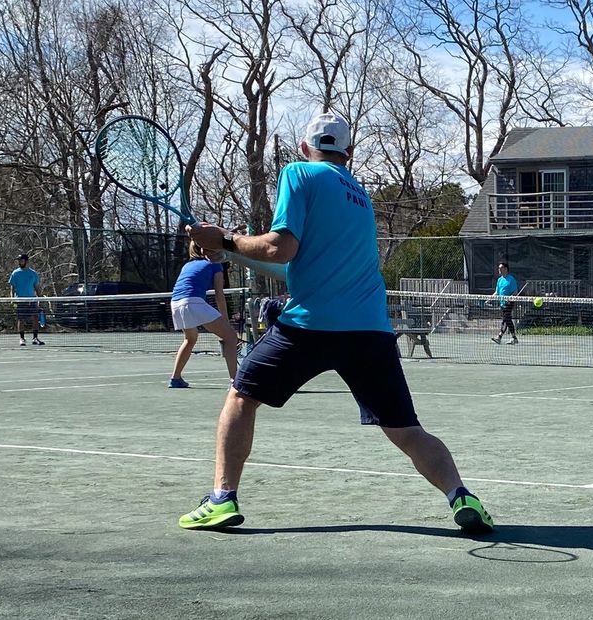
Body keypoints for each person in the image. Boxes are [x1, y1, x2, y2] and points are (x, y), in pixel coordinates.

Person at [181, 112, 492, 533]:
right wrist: (229, 253)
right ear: (348, 153)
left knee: (240, 398)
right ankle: (462, 497)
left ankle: (222, 498)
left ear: (306, 148)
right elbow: (297, 269)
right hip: (370, 331)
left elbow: (280, 247)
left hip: (311, 327)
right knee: (406, 431)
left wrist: (228, 239)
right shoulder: (360, 197)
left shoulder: (299, 173)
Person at [169, 241, 238, 388]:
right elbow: (219, 294)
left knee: (190, 339)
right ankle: (235, 381)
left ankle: (175, 379)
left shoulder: (187, 266)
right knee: (231, 337)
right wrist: (225, 320)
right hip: (192, 302)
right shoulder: (215, 264)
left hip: (175, 303)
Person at [8, 254, 43, 347]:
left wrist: (41, 298)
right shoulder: (15, 273)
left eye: (21, 260)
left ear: (26, 261)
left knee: (35, 318)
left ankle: (35, 338)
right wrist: (12, 298)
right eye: (19, 261)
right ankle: (22, 339)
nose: (19, 262)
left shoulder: (33, 273)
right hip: (20, 301)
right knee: (21, 319)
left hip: (32, 301)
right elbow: (12, 288)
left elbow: (37, 287)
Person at [491, 262, 518, 345]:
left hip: (509, 303)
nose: (499, 270)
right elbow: (497, 291)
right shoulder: (499, 280)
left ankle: (499, 337)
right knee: (507, 319)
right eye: (499, 268)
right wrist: (490, 298)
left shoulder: (511, 279)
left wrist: (510, 298)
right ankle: (514, 338)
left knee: (506, 319)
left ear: (506, 269)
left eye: (501, 268)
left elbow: (515, 292)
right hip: (502, 303)